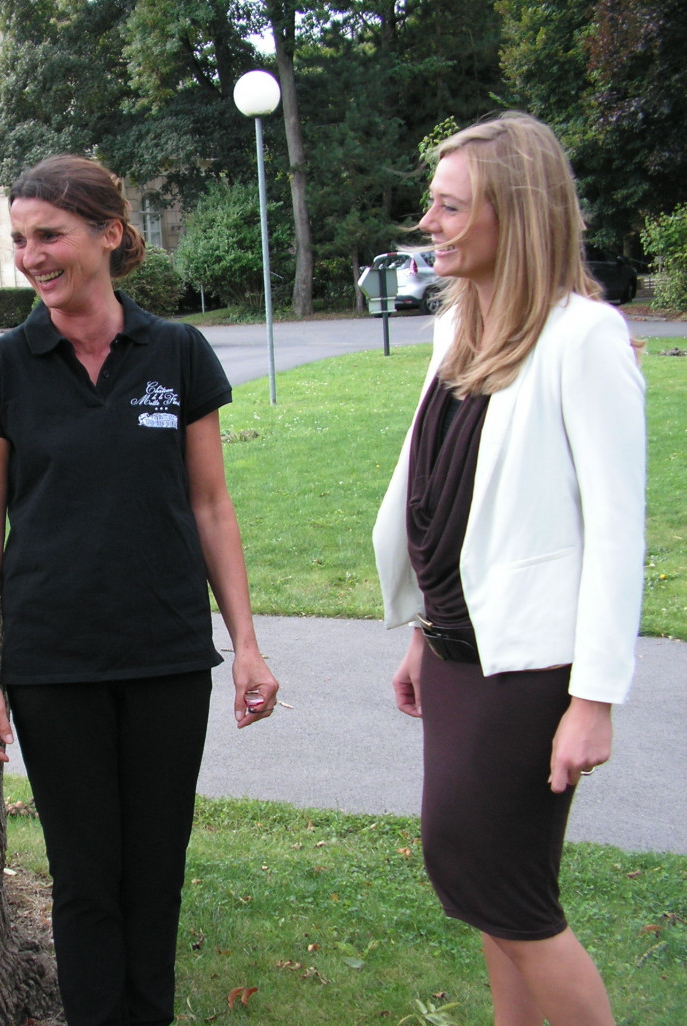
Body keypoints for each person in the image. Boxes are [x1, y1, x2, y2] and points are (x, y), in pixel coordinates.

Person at [0, 155, 279, 1026]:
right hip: (53, 664)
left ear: (109, 234)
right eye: (20, 238)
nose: (31, 255)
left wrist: (245, 641)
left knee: (157, 872)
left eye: (49, 235)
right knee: (88, 880)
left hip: (166, 653)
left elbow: (211, 504)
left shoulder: (176, 352)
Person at [373, 113, 644, 1026]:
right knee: (482, 891)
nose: (430, 223)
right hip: (456, 652)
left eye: (450, 207)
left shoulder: (584, 337)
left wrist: (594, 698)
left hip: (530, 670)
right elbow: (443, 497)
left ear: (515, 215)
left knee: (512, 896)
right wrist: (422, 632)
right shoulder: (457, 330)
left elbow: (615, 531)